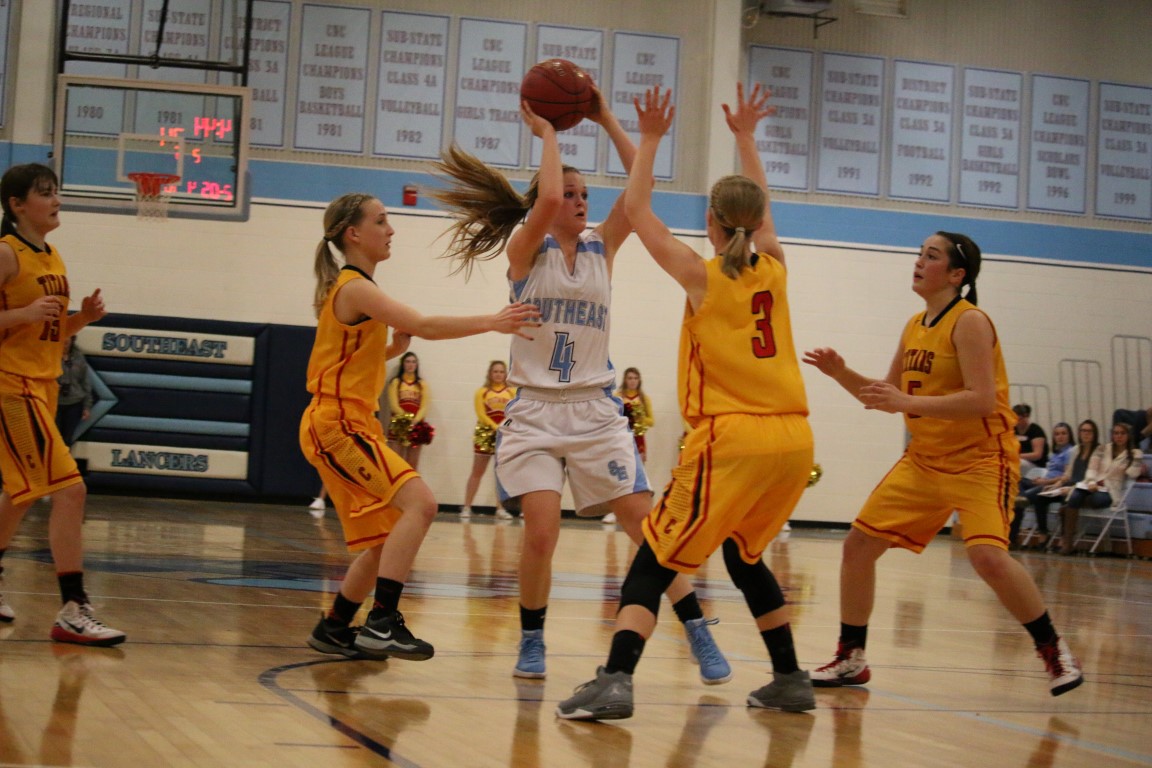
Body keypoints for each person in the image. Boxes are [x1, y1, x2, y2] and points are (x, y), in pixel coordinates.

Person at [433, 89, 730, 684]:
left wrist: (610, 120)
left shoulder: (602, 245)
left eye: (584, 195)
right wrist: (547, 132)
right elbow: (544, 199)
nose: (577, 202)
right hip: (536, 413)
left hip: (595, 409)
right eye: (570, 193)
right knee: (542, 534)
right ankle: (532, 639)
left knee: (648, 528)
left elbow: (641, 190)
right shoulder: (525, 250)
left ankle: (696, 627)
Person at [556, 83, 815, 720]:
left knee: (655, 556)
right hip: (793, 441)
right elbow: (764, 212)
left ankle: (616, 680)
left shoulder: (702, 275)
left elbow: (636, 207)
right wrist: (747, 138)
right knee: (744, 556)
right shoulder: (775, 264)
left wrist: (649, 139)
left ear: (712, 223)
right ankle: (790, 678)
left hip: (733, 438)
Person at [802, 229, 1084, 697]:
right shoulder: (915, 324)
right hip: (925, 461)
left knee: (987, 557)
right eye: (919, 254)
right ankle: (851, 658)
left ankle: (1055, 652)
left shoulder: (970, 321)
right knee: (858, 547)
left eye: (931, 256)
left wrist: (907, 404)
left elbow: (981, 400)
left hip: (981, 459)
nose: (919, 261)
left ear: (957, 274)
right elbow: (883, 397)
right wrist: (841, 373)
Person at [300, 192, 538, 661]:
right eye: (381, 221)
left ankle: (334, 626)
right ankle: (382, 621)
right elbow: (425, 325)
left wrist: (390, 350)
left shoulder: (351, 289)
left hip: (348, 423)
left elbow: (347, 361)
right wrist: (492, 321)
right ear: (354, 234)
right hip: (338, 424)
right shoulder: (355, 287)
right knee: (423, 504)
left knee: (385, 541)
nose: (391, 230)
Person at [0, 163, 123, 644]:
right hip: (11, 386)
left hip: (43, 383)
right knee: (70, 490)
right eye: (45, 193)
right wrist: (23, 312)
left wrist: (81, 320)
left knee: (22, 492)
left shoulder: (52, 255)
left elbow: (46, 331)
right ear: (16, 204)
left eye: (56, 192)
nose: (56, 200)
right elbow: (24, 319)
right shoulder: (6, 253)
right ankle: (73, 607)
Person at [1058, 421, 1143, 555]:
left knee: (1094, 500)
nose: (1119, 436)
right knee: (1075, 495)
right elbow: (1092, 468)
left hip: (1111, 489)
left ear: (1128, 436)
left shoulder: (1134, 454)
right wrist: (1092, 481)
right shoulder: (1102, 449)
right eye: (1116, 433)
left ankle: (1068, 508)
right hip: (1093, 483)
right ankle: (1068, 543)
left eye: (1122, 433)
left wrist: (1136, 460)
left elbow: (1133, 474)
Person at [461, 360, 516, 520]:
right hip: (485, 434)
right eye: (495, 371)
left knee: (501, 473)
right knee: (477, 472)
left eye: (501, 372)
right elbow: (481, 413)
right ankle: (466, 507)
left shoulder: (511, 392)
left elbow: (514, 413)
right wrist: (495, 427)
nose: (498, 374)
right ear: (490, 374)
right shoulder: (482, 392)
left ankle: (500, 508)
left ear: (506, 374)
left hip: (504, 434)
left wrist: (503, 427)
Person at [602, 366, 655, 526]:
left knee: (638, 475)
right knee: (618, 475)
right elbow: (610, 417)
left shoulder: (644, 399)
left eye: (635, 378)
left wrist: (639, 417)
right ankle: (613, 511)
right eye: (630, 378)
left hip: (638, 440)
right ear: (625, 380)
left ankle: (640, 510)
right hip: (620, 439)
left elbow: (651, 421)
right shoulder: (618, 396)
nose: (632, 381)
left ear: (639, 380)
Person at [1009, 421, 1074, 549]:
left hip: (1056, 485)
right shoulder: (1056, 453)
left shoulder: (1070, 452)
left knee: (1022, 499)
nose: (1060, 437)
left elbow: (1067, 476)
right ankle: (1021, 498)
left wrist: (1046, 482)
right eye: (1057, 434)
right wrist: (1042, 479)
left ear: (1069, 435)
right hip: (1045, 481)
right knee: (1018, 482)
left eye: (1063, 433)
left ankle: (1013, 537)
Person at [385, 351, 432, 469]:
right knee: (396, 464)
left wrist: (415, 420)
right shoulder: (396, 382)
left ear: (417, 365)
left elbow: (424, 405)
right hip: (399, 425)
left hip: (416, 426)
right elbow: (394, 405)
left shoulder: (422, 384)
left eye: (413, 362)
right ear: (403, 364)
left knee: (412, 465)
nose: (411, 364)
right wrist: (406, 419)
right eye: (408, 362)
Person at [56, 336, 93, 448]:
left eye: (68, 338)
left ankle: (65, 459)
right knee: (53, 438)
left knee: (67, 438)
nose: (65, 341)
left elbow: (85, 382)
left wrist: (87, 406)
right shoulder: (49, 356)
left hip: (74, 404)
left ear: (72, 339)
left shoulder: (79, 357)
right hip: (54, 403)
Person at [1013, 403, 1048, 472]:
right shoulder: (1013, 430)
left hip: (1035, 465)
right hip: (1020, 460)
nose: (1016, 422)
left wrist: (1017, 456)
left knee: (1019, 463)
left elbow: (1037, 455)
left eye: (1019, 419)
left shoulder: (1036, 430)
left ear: (1026, 417)